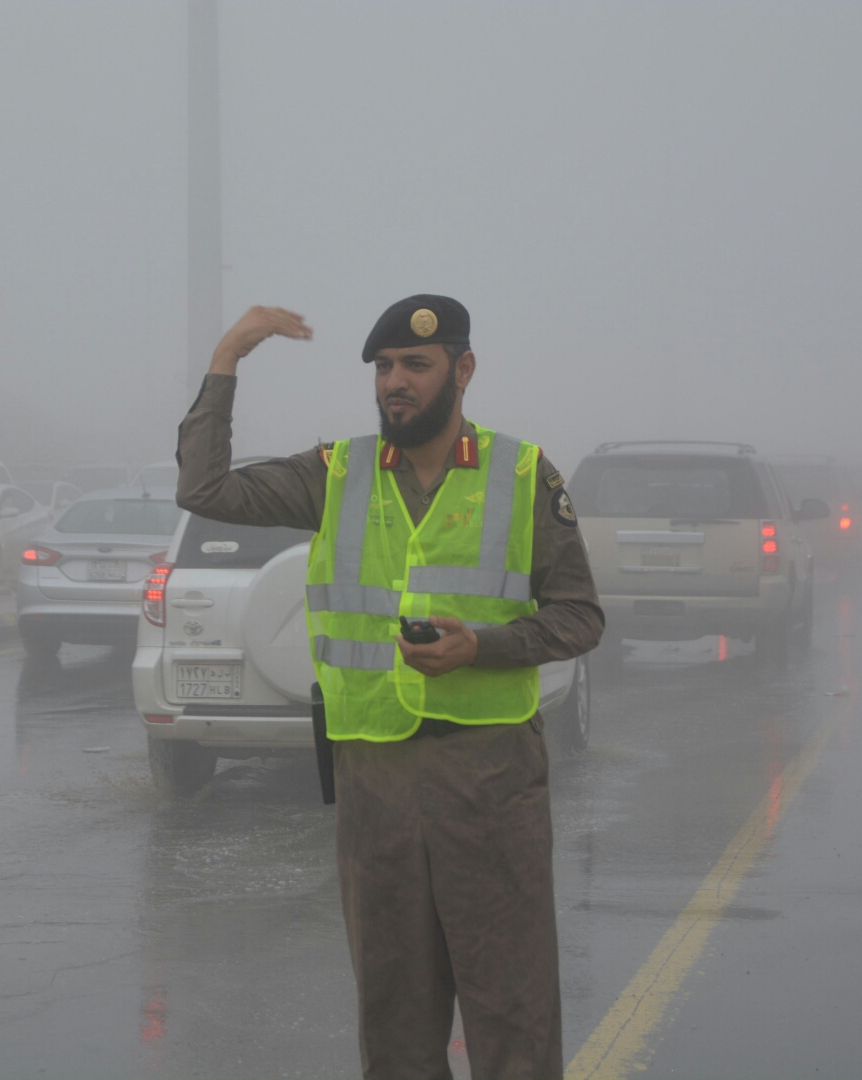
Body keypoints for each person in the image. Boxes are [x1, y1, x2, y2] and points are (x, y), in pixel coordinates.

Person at [175, 295, 603, 1079]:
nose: (394, 383)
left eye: (415, 365)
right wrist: (228, 356)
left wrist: (486, 646)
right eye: (383, 368)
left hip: (492, 782)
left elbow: (580, 617)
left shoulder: (523, 473)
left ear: (462, 371)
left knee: (513, 1015)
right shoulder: (335, 473)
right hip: (375, 786)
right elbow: (204, 491)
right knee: (395, 1023)